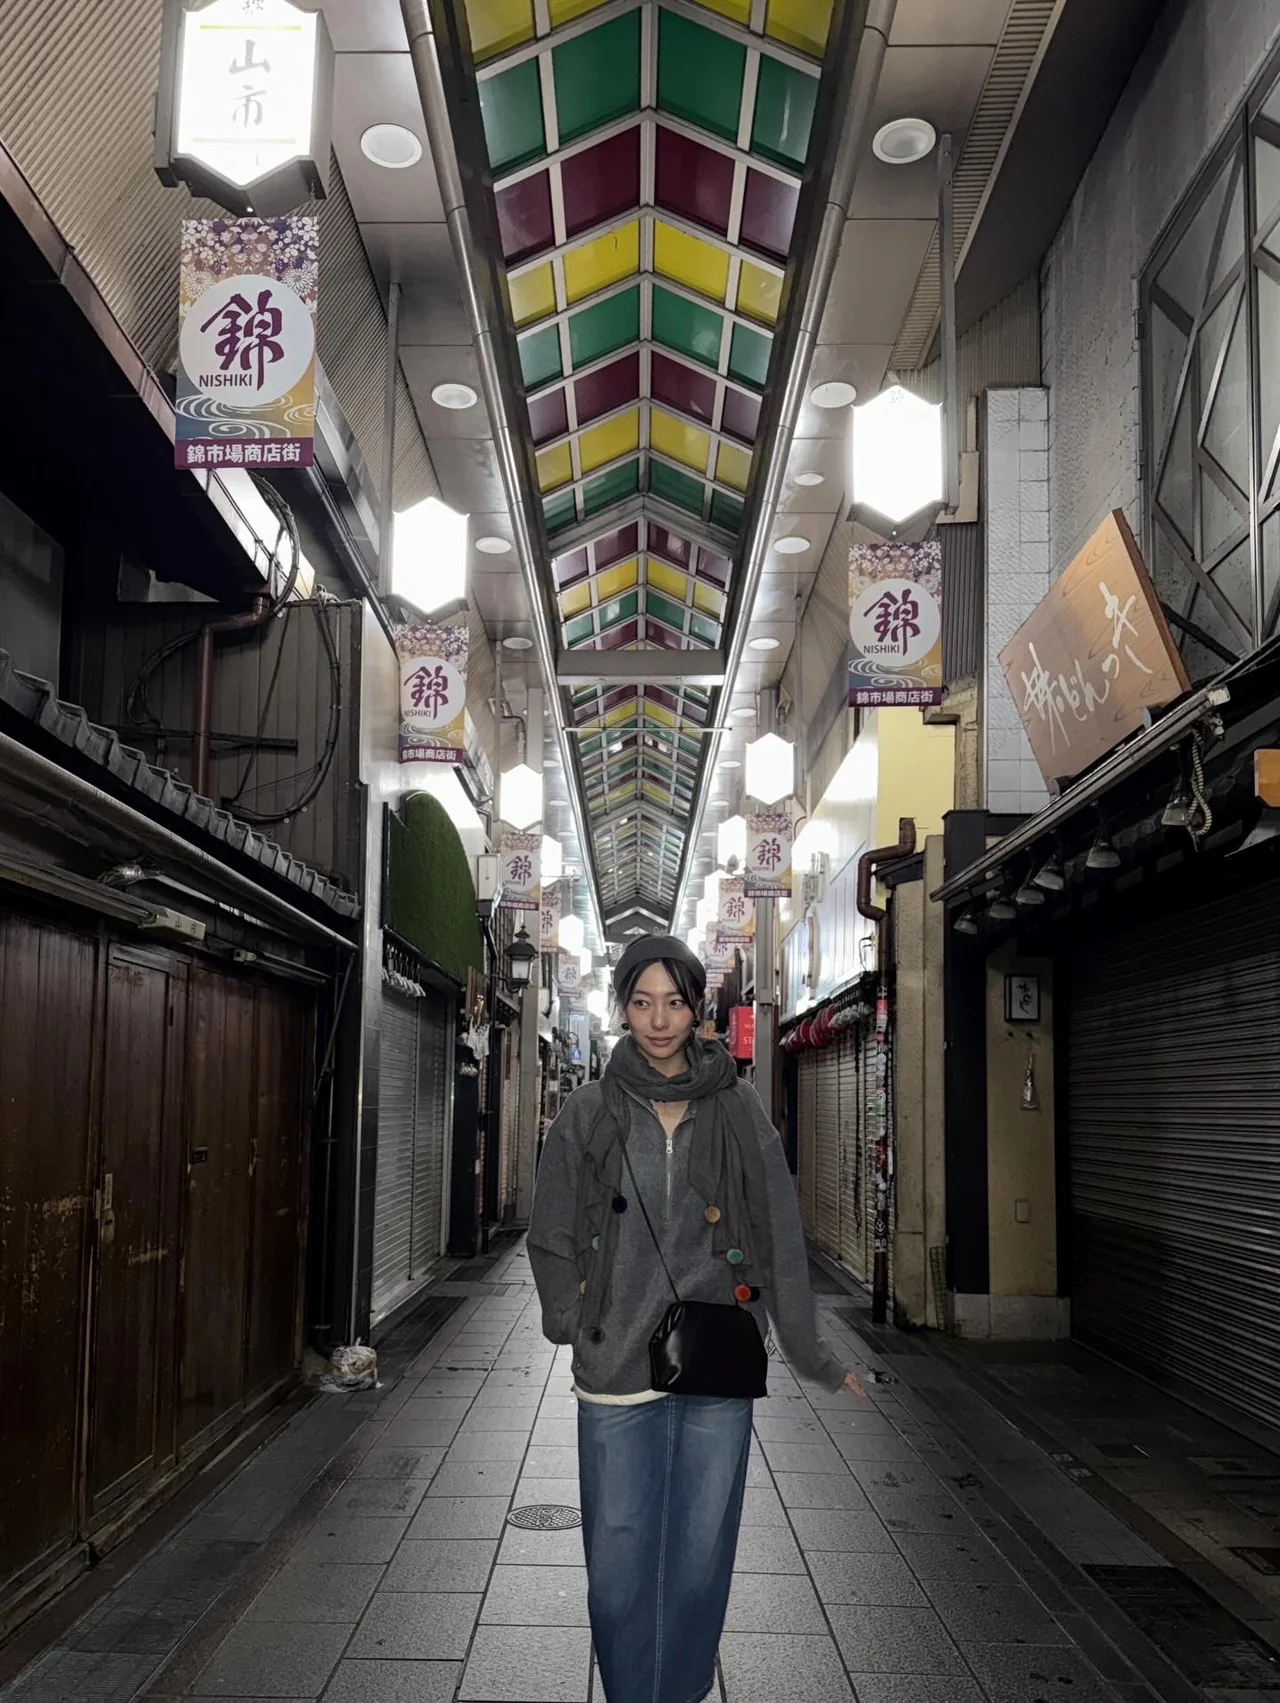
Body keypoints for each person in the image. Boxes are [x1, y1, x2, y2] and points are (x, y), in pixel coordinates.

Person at [528, 934, 865, 1703]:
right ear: (622, 1006)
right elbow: (549, 1230)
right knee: (618, 1562)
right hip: (615, 1367)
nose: (658, 1020)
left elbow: (779, 1231)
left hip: (714, 1360)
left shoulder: (736, 1106)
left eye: (674, 1002)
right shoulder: (589, 1109)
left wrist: (810, 1351)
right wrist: (573, 1321)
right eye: (642, 1001)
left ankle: (676, 1692)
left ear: (697, 1007)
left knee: (700, 1556)